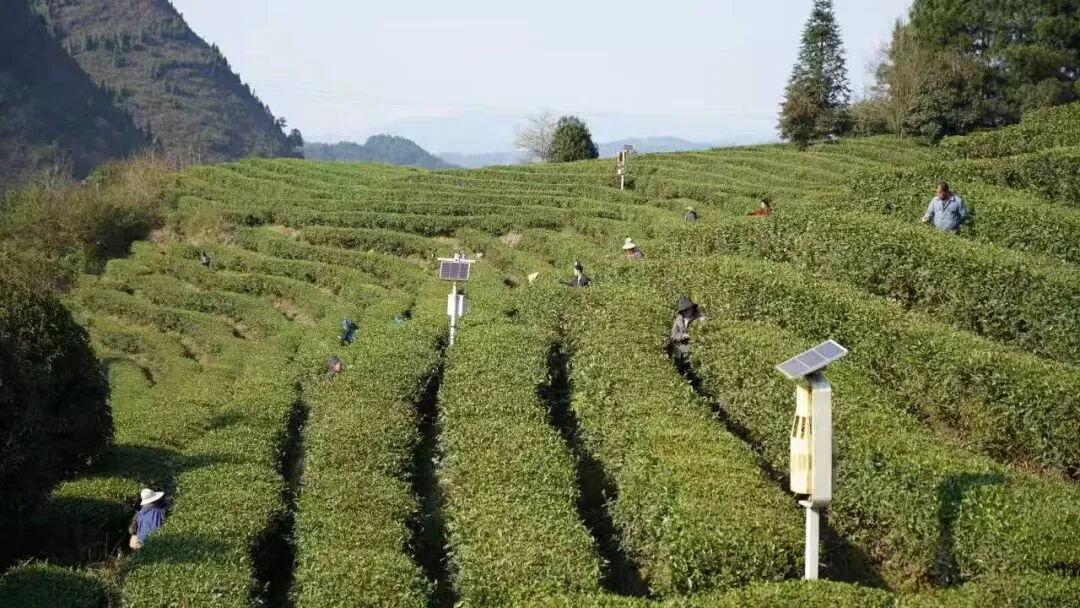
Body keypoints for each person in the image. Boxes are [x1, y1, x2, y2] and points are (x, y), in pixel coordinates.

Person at [669, 295, 706, 364]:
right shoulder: (679, 319)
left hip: (695, 348)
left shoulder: (700, 318)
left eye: (687, 309)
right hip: (681, 350)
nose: (686, 312)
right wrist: (682, 336)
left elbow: (704, 335)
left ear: (692, 308)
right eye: (684, 310)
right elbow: (673, 335)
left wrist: (693, 336)